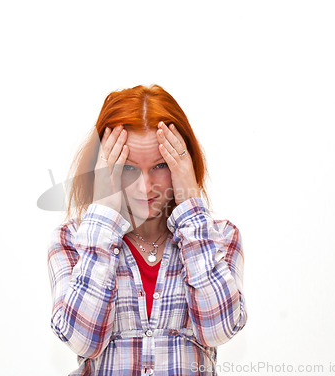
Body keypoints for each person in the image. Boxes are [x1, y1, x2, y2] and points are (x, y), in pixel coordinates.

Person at [47, 84, 247, 375]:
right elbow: (82, 340)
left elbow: (219, 330)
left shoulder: (219, 237)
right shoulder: (71, 240)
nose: (144, 188)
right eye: (127, 168)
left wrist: (190, 201)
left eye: (160, 165)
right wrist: (103, 211)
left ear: (184, 163)